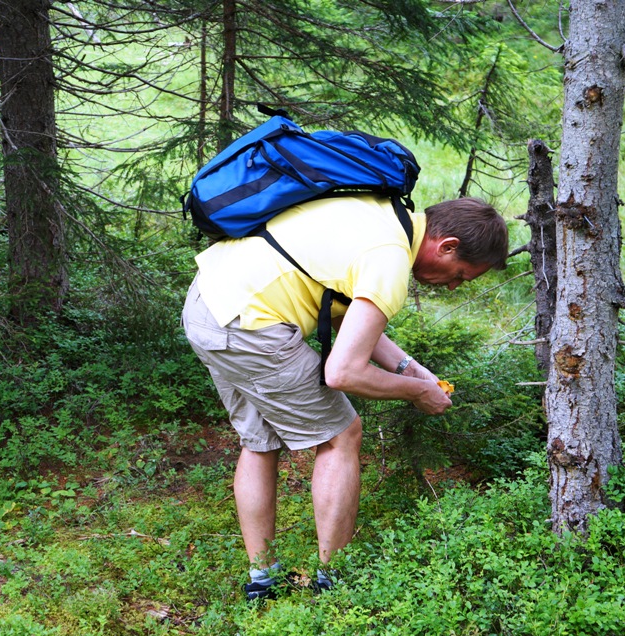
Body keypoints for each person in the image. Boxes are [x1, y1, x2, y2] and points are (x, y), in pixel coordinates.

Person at [181, 193, 508, 599]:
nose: (455, 285)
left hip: (208, 304)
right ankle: (334, 580)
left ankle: (262, 579)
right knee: (343, 435)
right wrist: (417, 393)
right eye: (460, 274)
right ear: (447, 246)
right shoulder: (390, 260)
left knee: (259, 439)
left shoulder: (382, 214)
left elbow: (337, 307)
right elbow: (342, 371)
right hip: (250, 328)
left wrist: (412, 370)